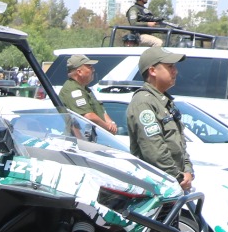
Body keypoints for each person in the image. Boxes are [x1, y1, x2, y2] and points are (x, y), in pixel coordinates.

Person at [126, 45, 193, 192]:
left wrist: (188, 170)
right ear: (152, 71)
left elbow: (180, 144)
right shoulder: (143, 102)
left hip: (173, 184)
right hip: (157, 186)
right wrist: (177, 177)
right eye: (170, 67)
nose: (175, 71)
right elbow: (154, 150)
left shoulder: (164, 101)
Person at [57, 54, 118, 135]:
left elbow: (101, 111)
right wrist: (107, 128)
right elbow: (88, 116)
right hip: (78, 139)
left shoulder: (85, 89)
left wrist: (111, 123)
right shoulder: (72, 90)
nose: (93, 70)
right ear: (79, 72)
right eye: (89, 67)